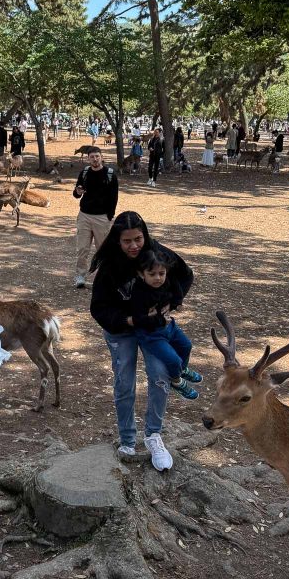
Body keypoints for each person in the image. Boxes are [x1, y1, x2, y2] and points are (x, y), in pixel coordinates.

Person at [90, 211, 194, 471]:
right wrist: (129, 321)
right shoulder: (109, 267)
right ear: (117, 241)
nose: (134, 246)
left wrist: (173, 302)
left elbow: (184, 273)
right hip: (122, 329)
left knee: (160, 375)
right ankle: (127, 439)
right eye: (127, 241)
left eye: (138, 238)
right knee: (125, 382)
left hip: (155, 330)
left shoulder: (155, 253)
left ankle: (153, 436)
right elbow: (98, 309)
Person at [130, 248, 203, 399]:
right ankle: (176, 381)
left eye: (161, 273)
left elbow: (176, 291)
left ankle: (182, 370)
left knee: (186, 346)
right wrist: (158, 317)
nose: (158, 278)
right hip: (151, 335)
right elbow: (140, 319)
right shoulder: (139, 293)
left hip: (169, 326)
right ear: (141, 274)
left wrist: (174, 303)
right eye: (152, 274)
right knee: (173, 359)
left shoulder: (167, 281)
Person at [73, 146, 119, 288]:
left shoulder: (110, 174)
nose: (95, 159)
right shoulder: (85, 173)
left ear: (102, 157)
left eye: (97, 156)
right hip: (84, 215)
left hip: (101, 217)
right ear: (88, 159)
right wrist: (78, 191)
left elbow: (114, 197)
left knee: (103, 250)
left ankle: (105, 278)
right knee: (82, 249)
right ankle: (80, 276)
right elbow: (76, 193)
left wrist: (108, 216)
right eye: (92, 157)